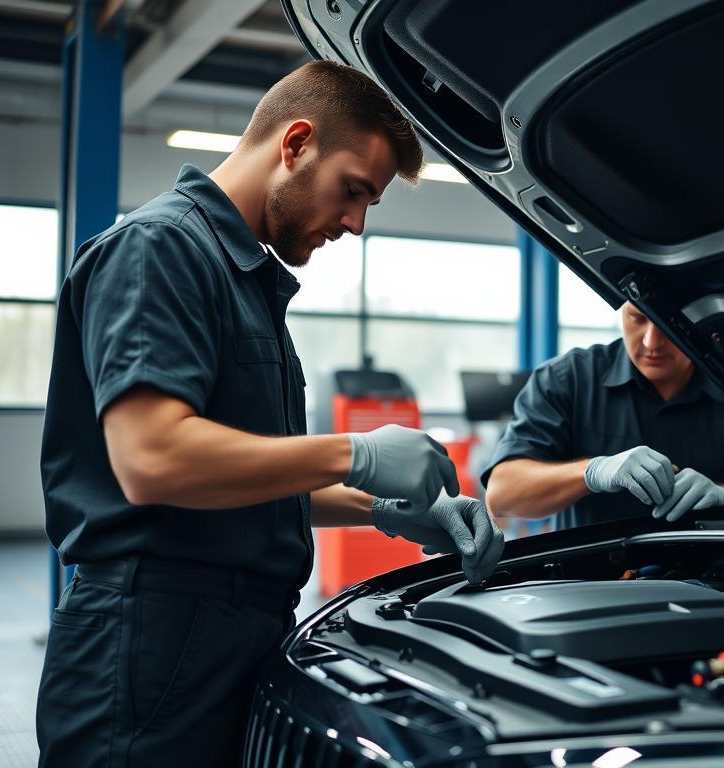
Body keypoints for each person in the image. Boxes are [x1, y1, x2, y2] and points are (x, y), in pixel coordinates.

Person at [35, 61, 503, 765]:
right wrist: (358, 452)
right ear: (296, 144)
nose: (355, 224)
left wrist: (380, 510)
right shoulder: (160, 249)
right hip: (148, 644)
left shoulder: (246, 283)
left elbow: (238, 477)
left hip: (229, 637)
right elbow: (153, 460)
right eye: (353, 191)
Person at [483, 302, 724, 528]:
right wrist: (593, 472)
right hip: (589, 586)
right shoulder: (568, 379)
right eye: (637, 318)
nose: (652, 342)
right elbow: (502, 497)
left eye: (670, 324)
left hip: (722, 590)